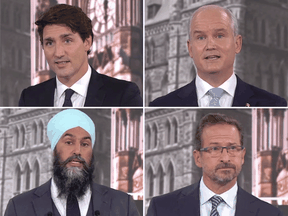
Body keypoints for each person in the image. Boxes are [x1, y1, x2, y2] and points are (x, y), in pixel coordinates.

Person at [5, 109, 140, 216]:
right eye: (69, 142)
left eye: (85, 144)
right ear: (53, 149)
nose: (77, 151)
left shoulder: (123, 205)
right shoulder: (19, 207)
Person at [147, 113, 283, 216]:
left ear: (242, 156)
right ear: (198, 158)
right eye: (215, 149)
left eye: (233, 148)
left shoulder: (269, 213)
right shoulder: (161, 208)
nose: (225, 158)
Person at [149, 5, 287, 107]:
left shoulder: (275, 104)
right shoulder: (162, 105)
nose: (211, 45)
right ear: (190, 48)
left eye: (220, 36)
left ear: (237, 44)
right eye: (201, 37)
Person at [19, 4, 142, 107]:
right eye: (49, 43)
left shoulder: (123, 94)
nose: (58, 53)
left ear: (87, 42)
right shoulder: (30, 98)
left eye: (67, 41)